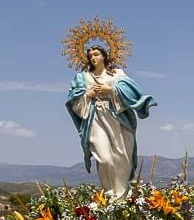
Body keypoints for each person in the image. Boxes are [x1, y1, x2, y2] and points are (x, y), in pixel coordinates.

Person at [66, 45, 156, 199]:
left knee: (121, 157)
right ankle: (108, 193)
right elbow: (73, 99)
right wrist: (89, 94)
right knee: (104, 158)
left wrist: (111, 90)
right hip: (95, 118)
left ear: (104, 56)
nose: (93, 58)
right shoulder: (83, 77)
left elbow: (131, 90)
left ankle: (120, 196)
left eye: (96, 54)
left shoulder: (117, 74)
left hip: (117, 119)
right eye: (90, 56)